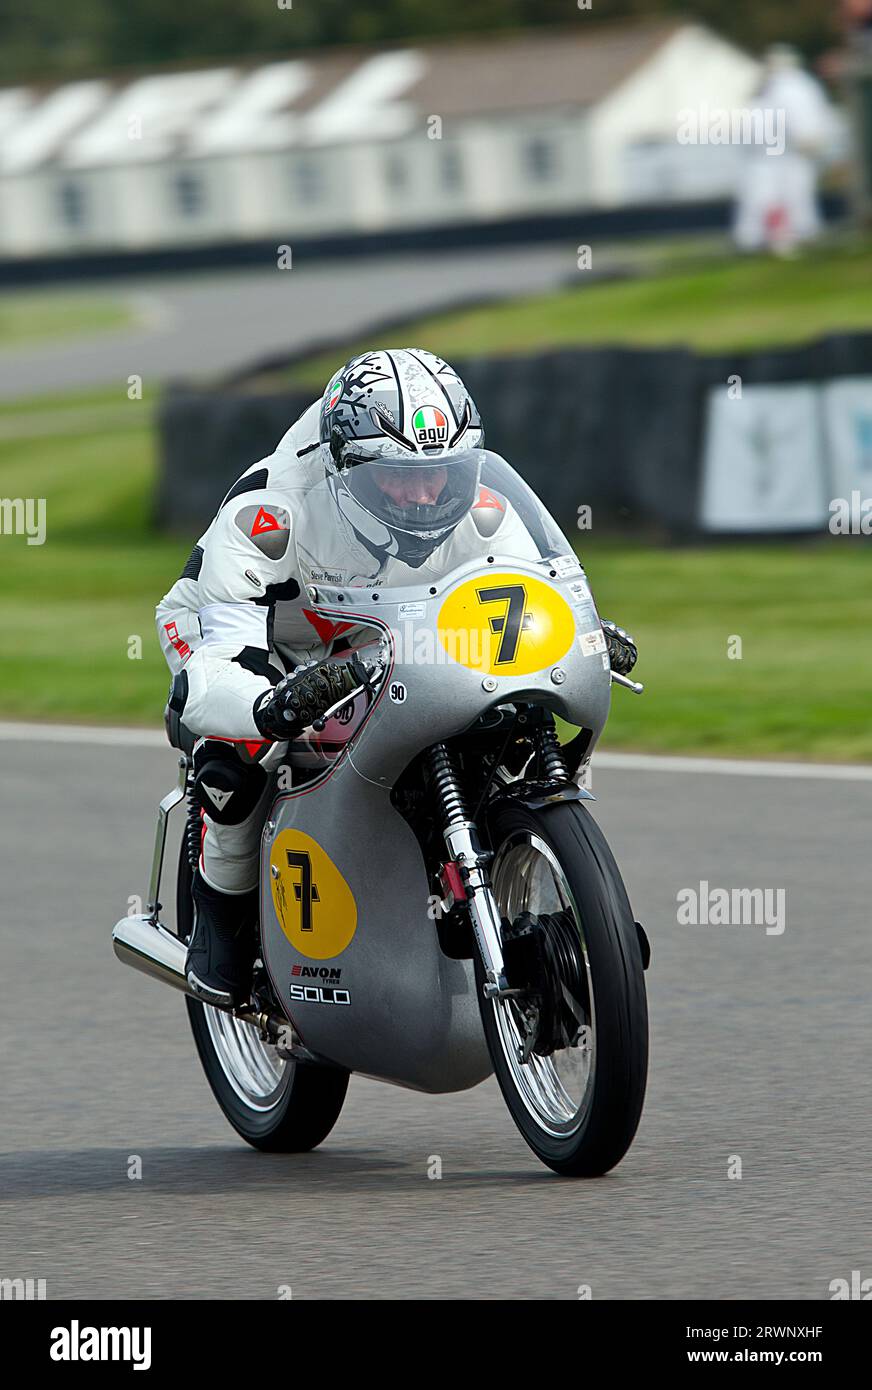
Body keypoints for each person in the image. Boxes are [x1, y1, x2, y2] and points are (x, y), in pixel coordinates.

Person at [155, 347, 637, 1007]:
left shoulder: (477, 499)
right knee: (236, 759)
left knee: (502, 715)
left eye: (441, 477)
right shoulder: (270, 510)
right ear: (344, 470)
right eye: (397, 482)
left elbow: (525, 589)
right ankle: (222, 922)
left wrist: (581, 628)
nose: (422, 497)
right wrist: (269, 705)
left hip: (385, 627)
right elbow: (216, 662)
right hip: (267, 633)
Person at [733, 45, 835, 256]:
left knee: (784, 197)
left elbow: (801, 119)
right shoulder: (783, 86)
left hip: (784, 153)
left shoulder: (790, 86)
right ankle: (779, 237)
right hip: (775, 154)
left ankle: (784, 237)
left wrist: (807, 139)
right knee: (777, 197)